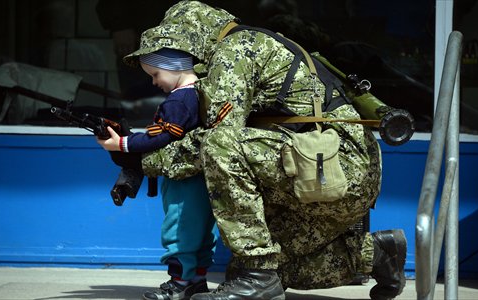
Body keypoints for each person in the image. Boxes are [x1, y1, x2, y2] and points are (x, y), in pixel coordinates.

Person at [123, 1, 407, 300]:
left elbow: (217, 139)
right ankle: (376, 254)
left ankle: (256, 272)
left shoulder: (234, 51)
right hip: (330, 168)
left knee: (220, 146)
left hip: (333, 168)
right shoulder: (252, 43)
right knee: (270, 272)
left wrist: (145, 159)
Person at [97, 47, 217, 300]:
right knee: (201, 230)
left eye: (155, 73)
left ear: (174, 67)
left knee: (179, 228)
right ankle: (196, 280)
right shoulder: (202, 93)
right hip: (202, 175)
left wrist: (121, 144)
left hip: (182, 179)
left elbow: (162, 136)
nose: (154, 82)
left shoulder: (178, 100)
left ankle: (179, 283)